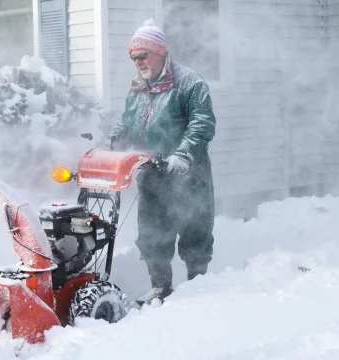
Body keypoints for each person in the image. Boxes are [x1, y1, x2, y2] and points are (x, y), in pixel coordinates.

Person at [109, 19, 217, 305]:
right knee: (153, 233)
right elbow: (126, 121)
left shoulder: (190, 83)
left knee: (195, 233)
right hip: (153, 176)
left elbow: (203, 124)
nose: (138, 63)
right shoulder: (138, 88)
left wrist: (182, 154)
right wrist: (116, 141)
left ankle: (198, 288)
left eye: (142, 56)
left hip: (188, 175)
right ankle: (160, 288)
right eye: (133, 58)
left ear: (159, 52)